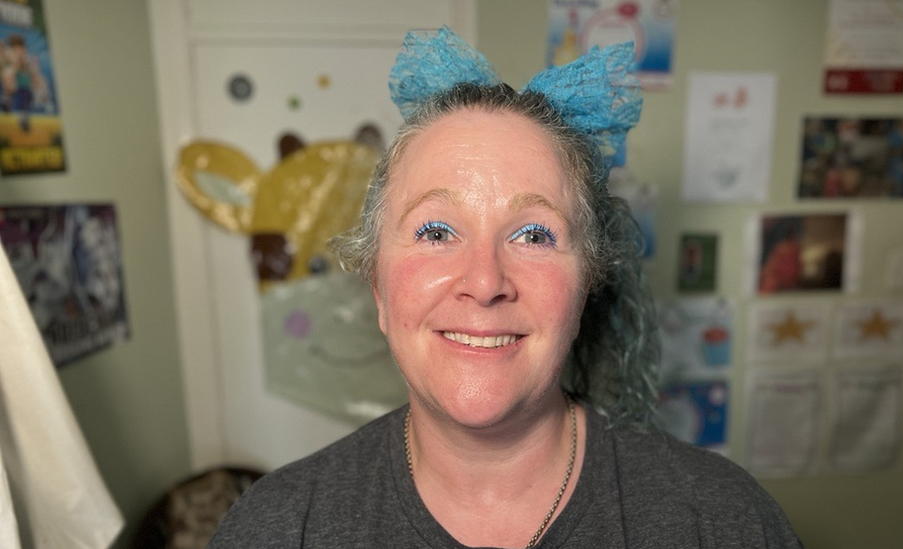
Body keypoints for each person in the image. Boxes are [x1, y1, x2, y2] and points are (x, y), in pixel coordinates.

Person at [207, 27, 803, 548]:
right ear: (379, 287)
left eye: (535, 235)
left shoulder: (725, 522)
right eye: (437, 230)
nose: (485, 282)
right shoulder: (278, 528)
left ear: (587, 284)